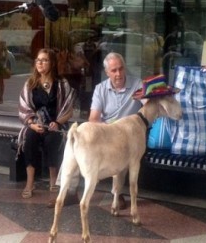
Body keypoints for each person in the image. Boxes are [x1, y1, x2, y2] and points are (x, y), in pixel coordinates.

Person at [47, 52, 143, 208]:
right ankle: (70, 193)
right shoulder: (100, 89)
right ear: (107, 73)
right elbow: (94, 118)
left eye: (121, 69)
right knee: (76, 144)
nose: (118, 74)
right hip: (105, 133)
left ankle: (117, 195)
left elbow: (148, 106)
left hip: (127, 136)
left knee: (124, 150)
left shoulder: (137, 85)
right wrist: (105, 131)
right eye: (114, 71)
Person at [17, 48, 76, 199]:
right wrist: (31, 124)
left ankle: (53, 180)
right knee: (29, 138)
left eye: (44, 60)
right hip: (36, 124)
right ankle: (30, 182)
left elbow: (69, 109)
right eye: (38, 60)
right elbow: (23, 107)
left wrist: (57, 122)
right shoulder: (30, 83)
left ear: (52, 63)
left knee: (53, 139)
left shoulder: (62, 84)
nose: (40, 63)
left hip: (55, 124)